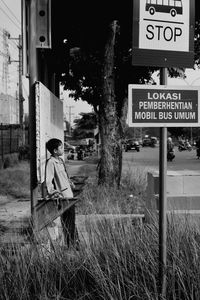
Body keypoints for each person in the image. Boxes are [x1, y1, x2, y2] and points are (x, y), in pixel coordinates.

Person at [45, 138, 78, 247]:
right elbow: (48, 180)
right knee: (67, 221)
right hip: (63, 197)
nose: (63, 149)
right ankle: (71, 245)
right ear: (55, 150)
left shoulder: (60, 160)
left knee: (71, 221)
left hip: (70, 194)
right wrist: (53, 192)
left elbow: (65, 176)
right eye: (61, 147)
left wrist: (70, 182)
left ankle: (74, 243)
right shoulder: (51, 162)